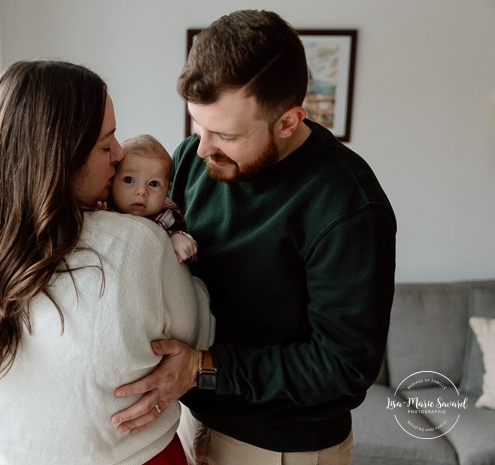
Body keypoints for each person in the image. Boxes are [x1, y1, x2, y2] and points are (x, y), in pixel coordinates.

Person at [110, 10, 397, 465]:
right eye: (196, 125)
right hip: (186, 416)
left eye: (225, 134)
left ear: (288, 121)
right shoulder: (192, 157)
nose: (201, 148)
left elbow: (343, 367)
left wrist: (201, 367)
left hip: (280, 446)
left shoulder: (348, 206)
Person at [0, 60, 214, 465]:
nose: (120, 155)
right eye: (107, 144)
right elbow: (199, 331)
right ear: (63, 157)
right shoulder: (139, 242)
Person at [111, 134, 197, 263]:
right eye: (129, 180)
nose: (142, 191)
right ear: (111, 181)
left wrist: (176, 238)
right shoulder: (104, 207)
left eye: (153, 184)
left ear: (168, 190)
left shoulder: (168, 215)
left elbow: (189, 253)